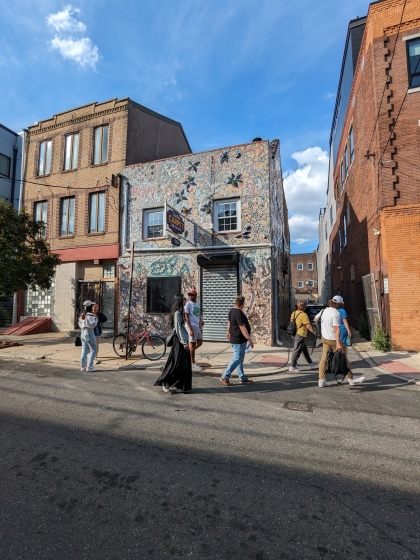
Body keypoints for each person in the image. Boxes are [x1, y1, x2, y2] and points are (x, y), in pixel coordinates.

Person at [314, 296, 365, 388]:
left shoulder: (324, 311)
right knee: (343, 358)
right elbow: (337, 329)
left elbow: (315, 319)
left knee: (324, 359)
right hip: (333, 339)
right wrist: (338, 343)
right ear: (340, 304)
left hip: (324, 338)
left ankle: (321, 380)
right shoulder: (336, 313)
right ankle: (351, 379)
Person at [154, 294, 192, 393]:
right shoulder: (177, 313)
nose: (185, 300)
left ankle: (182, 385)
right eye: (184, 299)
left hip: (183, 340)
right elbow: (178, 329)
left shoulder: (180, 312)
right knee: (177, 364)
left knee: (185, 364)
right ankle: (166, 381)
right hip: (179, 341)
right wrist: (184, 342)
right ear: (180, 300)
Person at [220, 295, 254, 386]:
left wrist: (228, 332)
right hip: (238, 340)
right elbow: (242, 327)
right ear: (242, 304)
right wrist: (250, 339)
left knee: (240, 359)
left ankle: (242, 378)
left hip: (236, 339)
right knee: (237, 358)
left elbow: (229, 322)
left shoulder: (232, 311)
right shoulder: (238, 313)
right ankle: (225, 376)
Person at [288, 301, 318, 373]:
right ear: (304, 307)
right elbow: (308, 326)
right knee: (297, 350)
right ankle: (292, 366)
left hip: (294, 333)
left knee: (304, 349)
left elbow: (292, 322)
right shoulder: (304, 315)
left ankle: (311, 363)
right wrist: (315, 333)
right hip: (300, 334)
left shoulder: (294, 313)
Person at [184, 289, 204, 372]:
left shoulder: (198, 303)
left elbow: (198, 314)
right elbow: (186, 318)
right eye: (190, 295)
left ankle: (189, 354)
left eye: (192, 295)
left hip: (197, 326)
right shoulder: (188, 304)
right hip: (191, 326)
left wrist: (201, 320)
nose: (191, 296)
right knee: (192, 345)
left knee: (199, 342)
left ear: (196, 295)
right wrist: (190, 329)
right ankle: (192, 364)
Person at [78, 300, 98, 372]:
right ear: (89, 307)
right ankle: (90, 366)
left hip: (82, 332)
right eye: (92, 305)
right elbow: (94, 324)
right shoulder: (90, 315)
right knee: (93, 349)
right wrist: (96, 319)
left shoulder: (82, 315)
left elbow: (79, 324)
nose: (93, 306)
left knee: (84, 350)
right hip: (89, 332)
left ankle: (83, 366)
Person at [335, 295, 352, 368]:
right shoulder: (342, 311)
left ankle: (341, 360)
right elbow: (345, 321)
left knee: (337, 344)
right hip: (342, 329)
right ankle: (345, 360)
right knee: (343, 346)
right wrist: (349, 330)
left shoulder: (333, 310)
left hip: (335, 329)